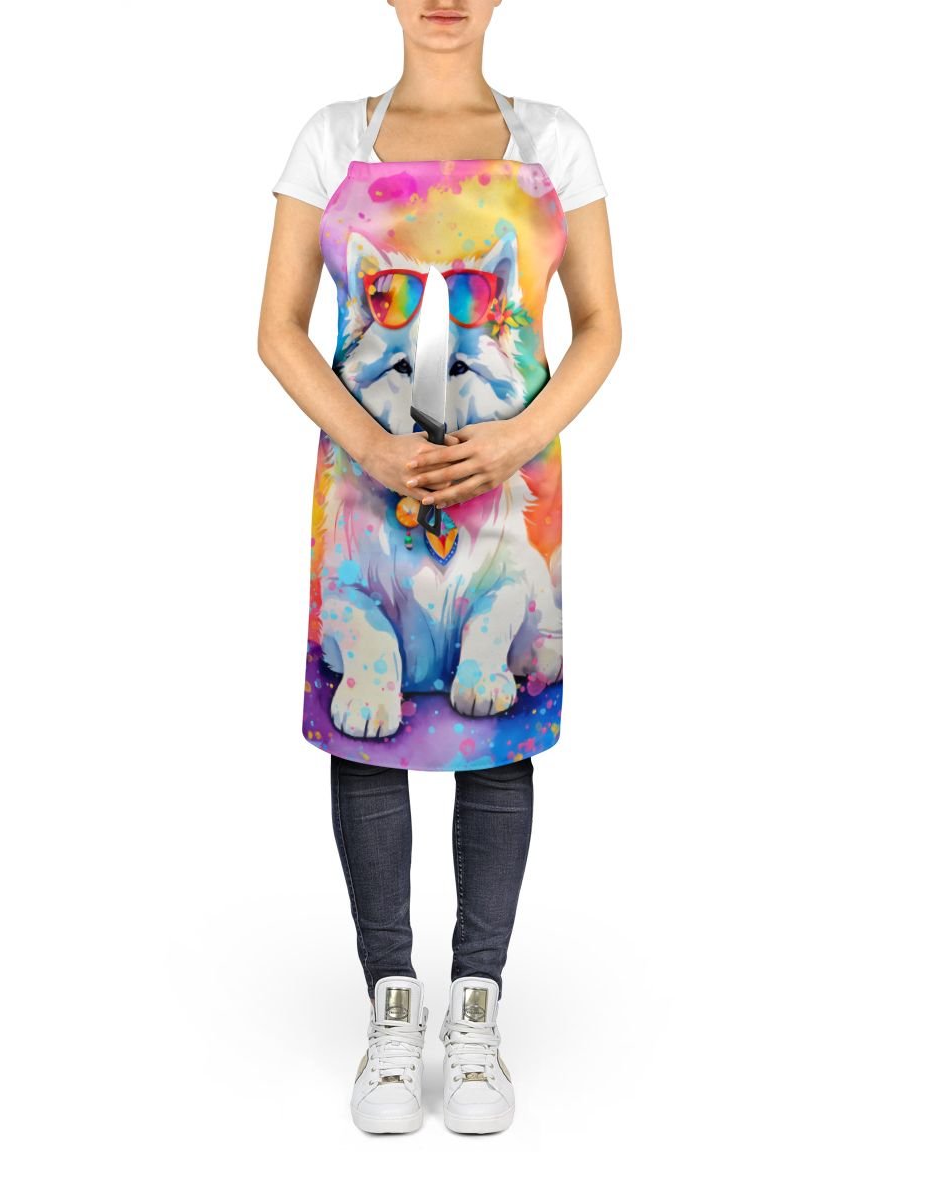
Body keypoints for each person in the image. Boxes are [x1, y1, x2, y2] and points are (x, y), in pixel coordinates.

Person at [259, 0, 621, 1135]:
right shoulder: (331, 139)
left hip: (508, 487)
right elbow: (278, 328)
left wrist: (517, 439)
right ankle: (389, 1010)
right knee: (367, 731)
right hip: (365, 484)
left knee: (491, 732)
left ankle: (476, 1013)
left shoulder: (555, 141)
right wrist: (370, 447)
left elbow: (600, 324)